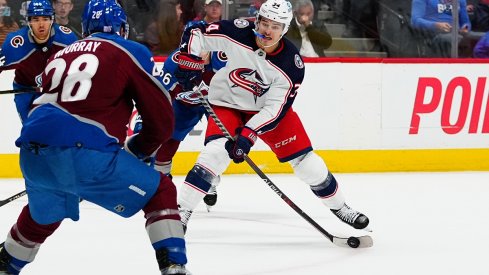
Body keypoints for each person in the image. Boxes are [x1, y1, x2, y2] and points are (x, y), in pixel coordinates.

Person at [0, 1, 189, 274]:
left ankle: (7, 262)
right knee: (160, 190)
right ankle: (174, 267)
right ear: (122, 28)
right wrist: (139, 147)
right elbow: (161, 119)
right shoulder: (130, 50)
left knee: (47, 211)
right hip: (84, 151)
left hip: (31, 150)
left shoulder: (61, 54)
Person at [173, 0, 370, 233]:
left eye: (275, 26)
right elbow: (196, 32)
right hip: (228, 103)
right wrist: (190, 59)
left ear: (285, 29)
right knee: (214, 154)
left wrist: (247, 136)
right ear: (256, 21)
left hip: (267, 111)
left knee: (309, 165)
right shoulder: (237, 31)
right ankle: (182, 212)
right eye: (264, 23)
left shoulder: (291, 65)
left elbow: (274, 109)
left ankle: (340, 207)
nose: (268, 30)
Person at [0, 0, 77, 124]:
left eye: (45, 19)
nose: (41, 24)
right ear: (29, 21)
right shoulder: (15, 44)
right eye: (36, 19)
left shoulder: (67, 39)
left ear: (52, 19)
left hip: (57, 89)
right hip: (26, 90)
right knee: (31, 134)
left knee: (60, 131)